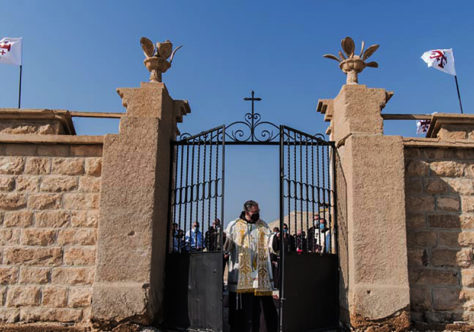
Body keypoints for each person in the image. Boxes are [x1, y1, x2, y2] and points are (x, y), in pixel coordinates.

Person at [224, 200, 278, 332]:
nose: (258, 214)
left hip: (260, 274)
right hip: (241, 275)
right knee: (241, 310)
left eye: (258, 212)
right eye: (255, 212)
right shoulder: (234, 225)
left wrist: (276, 239)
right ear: (247, 212)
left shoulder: (263, 225)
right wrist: (224, 239)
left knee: (259, 309)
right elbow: (227, 246)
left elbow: (271, 243)